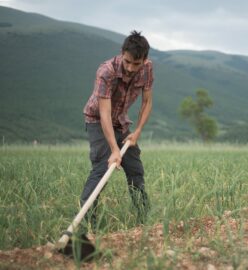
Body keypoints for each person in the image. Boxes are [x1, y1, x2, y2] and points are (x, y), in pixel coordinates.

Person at [81, 30, 153, 230]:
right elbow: (104, 113)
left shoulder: (147, 69)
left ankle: (144, 222)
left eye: (136, 64)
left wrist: (137, 131)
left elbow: (147, 102)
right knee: (103, 167)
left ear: (144, 60)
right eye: (127, 61)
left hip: (121, 121)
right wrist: (114, 149)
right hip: (97, 120)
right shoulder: (106, 71)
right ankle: (88, 225)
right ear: (122, 53)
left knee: (135, 169)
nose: (130, 68)